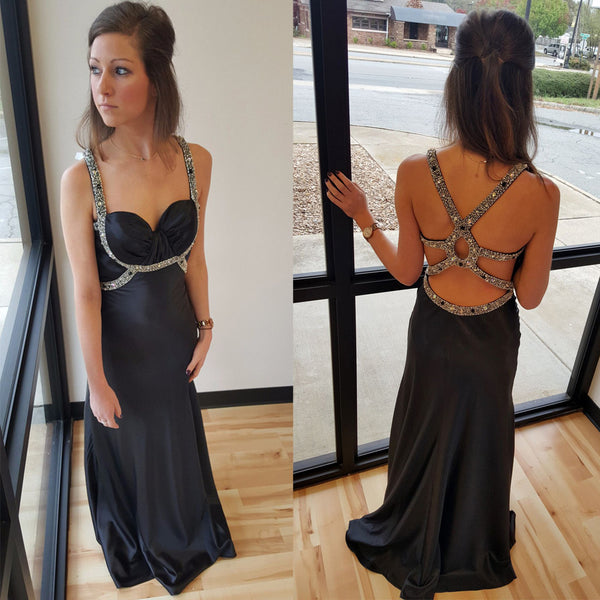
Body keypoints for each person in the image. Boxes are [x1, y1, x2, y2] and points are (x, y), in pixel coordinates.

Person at [326, 9, 559, 600]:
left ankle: (411, 528)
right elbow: (531, 297)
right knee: (482, 437)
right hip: (491, 342)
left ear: (457, 83)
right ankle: (468, 539)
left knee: (423, 430)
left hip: (432, 332)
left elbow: (408, 272)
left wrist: (364, 219)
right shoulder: (541, 194)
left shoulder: (414, 172)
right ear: (525, 89)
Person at [60, 2, 235, 594]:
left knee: (172, 439)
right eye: (94, 69)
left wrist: (207, 327)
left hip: (175, 338)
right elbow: (86, 291)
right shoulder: (82, 178)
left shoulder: (195, 161)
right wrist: (95, 380)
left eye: (120, 70)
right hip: (122, 350)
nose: (101, 88)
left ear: (156, 77)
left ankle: (184, 527)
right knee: (130, 443)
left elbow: (196, 257)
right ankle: (138, 540)